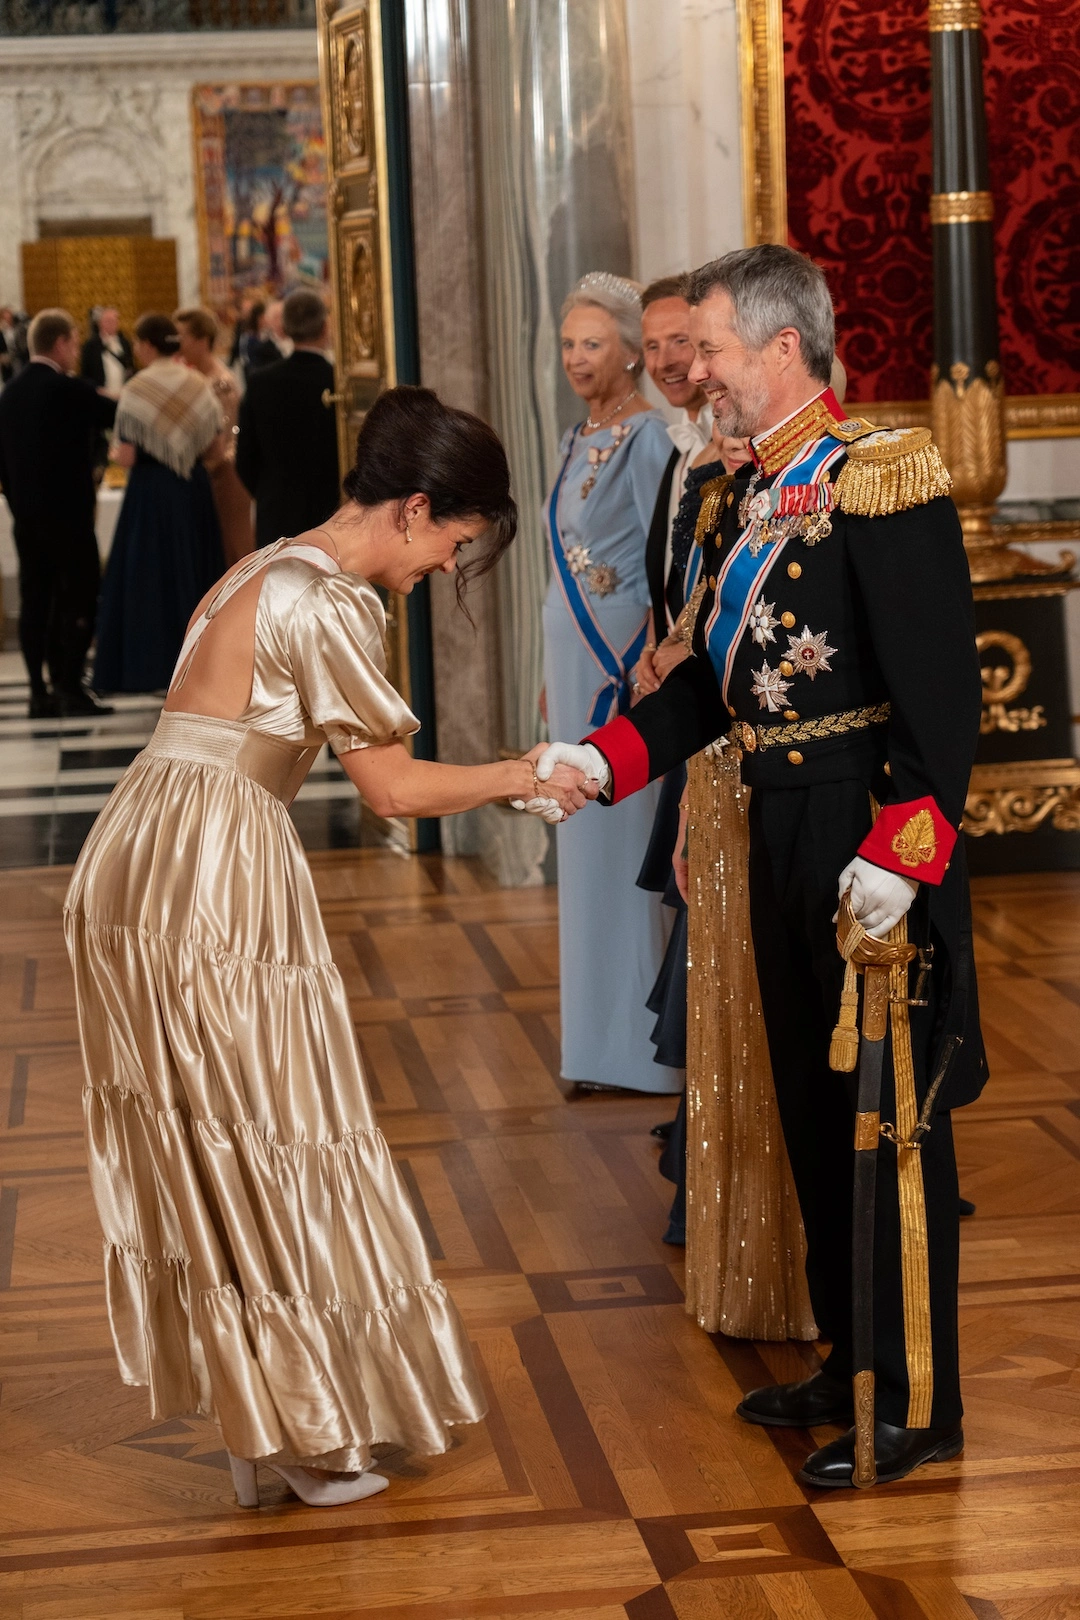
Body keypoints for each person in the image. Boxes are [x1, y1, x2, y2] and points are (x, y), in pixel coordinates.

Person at [64, 385, 588, 1509]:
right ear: (411, 508)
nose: (451, 567)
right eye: (455, 541)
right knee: (278, 1137)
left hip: (145, 854)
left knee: (226, 1148)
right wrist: (527, 773)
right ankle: (301, 1435)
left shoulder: (266, 565)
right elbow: (392, 792)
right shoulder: (328, 603)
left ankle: (272, 1427)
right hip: (209, 873)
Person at [539, 244, 986, 1488]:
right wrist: (600, 760)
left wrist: (907, 852)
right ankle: (853, 1359)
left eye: (718, 350)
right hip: (779, 831)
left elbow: (942, 700)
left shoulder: (878, 478)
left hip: (866, 839)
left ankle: (916, 1403)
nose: (700, 373)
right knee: (807, 1107)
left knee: (884, 1125)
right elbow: (709, 694)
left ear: (785, 349)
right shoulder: (751, 493)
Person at [542, 271, 681, 1096]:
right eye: (567, 344)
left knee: (622, 843)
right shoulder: (574, 438)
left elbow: (662, 564)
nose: (576, 358)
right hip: (568, 664)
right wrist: (540, 680)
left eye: (592, 344)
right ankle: (591, 1047)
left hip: (617, 665)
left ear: (630, 354)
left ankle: (640, 1053)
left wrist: (647, 659)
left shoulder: (647, 440)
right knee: (580, 846)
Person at [93, 313, 226, 694]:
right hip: (191, 490)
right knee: (195, 572)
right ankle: (202, 664)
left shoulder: (138, 387)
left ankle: (150, 667)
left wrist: (131, 456)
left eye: (138, 343)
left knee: (150, 577)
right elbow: (215, 446)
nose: (136, 349)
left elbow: (126, 453)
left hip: (150, 493)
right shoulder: (198, 385)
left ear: (149, 346)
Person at [0, 307, 116, 717]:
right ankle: (69, 683)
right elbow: (116, 415)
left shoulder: (8, 395)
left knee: (36, 602)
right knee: (80, 597)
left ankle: (37, 691)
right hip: (69, 519)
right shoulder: (69, 389)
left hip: (28, 520)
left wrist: (19, 504)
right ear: (63, 343)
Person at [236, 288, 340, 550]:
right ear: (326, 326)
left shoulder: (261, 381)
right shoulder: (341, 384)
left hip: (276, 511)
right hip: (332, 511)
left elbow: (244, 458)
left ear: (284, 328)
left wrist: (267, 492)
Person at [175, 305, 254, 565]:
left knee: (231, 556)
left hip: (225, 477)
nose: (177, 344)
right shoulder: (193, 377)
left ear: (202, 340)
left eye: (182, 336)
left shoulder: (220, 382)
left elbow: (227, 439)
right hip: (206, 476)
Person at [80, 306, 134, 398]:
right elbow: (85, 374)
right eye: (108, 321)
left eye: (115, 320)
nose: (112, 324)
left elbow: (130, 367)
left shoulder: (125, 343)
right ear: (100, 323)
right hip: (100, 396)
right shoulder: (90, 346)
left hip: (122, 396)